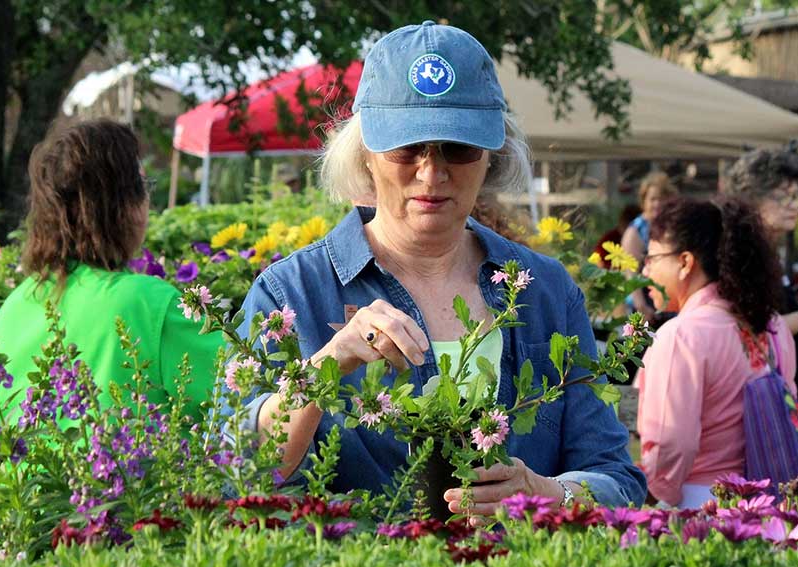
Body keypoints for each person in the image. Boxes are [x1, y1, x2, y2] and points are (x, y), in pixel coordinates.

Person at [232, 21, 646, 513]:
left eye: (458, 147)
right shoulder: (290, 295)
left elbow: (616, 480)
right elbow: (239, 471)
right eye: (407, 148)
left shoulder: (546, 291)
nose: (432, 172)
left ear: (492, 156)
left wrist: (544, 493)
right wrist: (327, 365)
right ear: (365, 154)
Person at [0, 119, 224, 426]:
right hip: (129, 474)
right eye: (143, 186)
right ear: (123, 204)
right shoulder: (148, 303)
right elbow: (242, 394)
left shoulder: (15, 305)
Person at [636, 196, 797, 508]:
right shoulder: (773, 327)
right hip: (768, 504)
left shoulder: (681, 335)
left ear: (685, 262)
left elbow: (672, 443)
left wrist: (650, 500)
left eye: (652, 258)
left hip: (699, 503)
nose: (645, 271)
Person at [724, 148, 798, 423]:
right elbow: (745, 331)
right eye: (784, 197)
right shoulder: (740, 258)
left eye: (796, 196)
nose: (795, 205)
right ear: (751, 199)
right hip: (767, 411)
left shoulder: (768, 252)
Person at [621, 172, 677, 322]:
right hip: (645, 308)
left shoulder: (672, 227)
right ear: (643, 201)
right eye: (653, 199)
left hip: (669, 307)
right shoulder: (635, 231)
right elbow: (630, 273)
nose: (657, 204)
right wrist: (641, 305)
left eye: (662, 199)